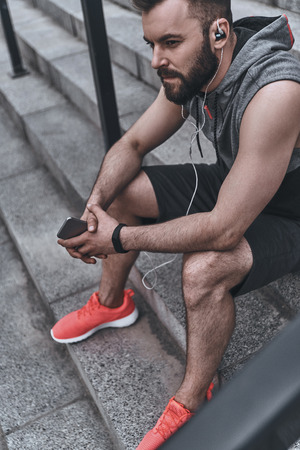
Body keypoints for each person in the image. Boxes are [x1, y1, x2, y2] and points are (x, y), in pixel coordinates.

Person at [51, 0, 300, 447]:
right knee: (123, 189)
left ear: (219, 34)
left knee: (203, 269)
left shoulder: (276, 90)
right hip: (236, 183)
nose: (155, 60)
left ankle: (194, 398)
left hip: (290, 214)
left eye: (169, 43)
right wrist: (95, 208)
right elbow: (133, 143)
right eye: (151, 44)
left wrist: (119, 238)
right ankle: (111, 302)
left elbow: (225, 228)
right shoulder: (195, 68)